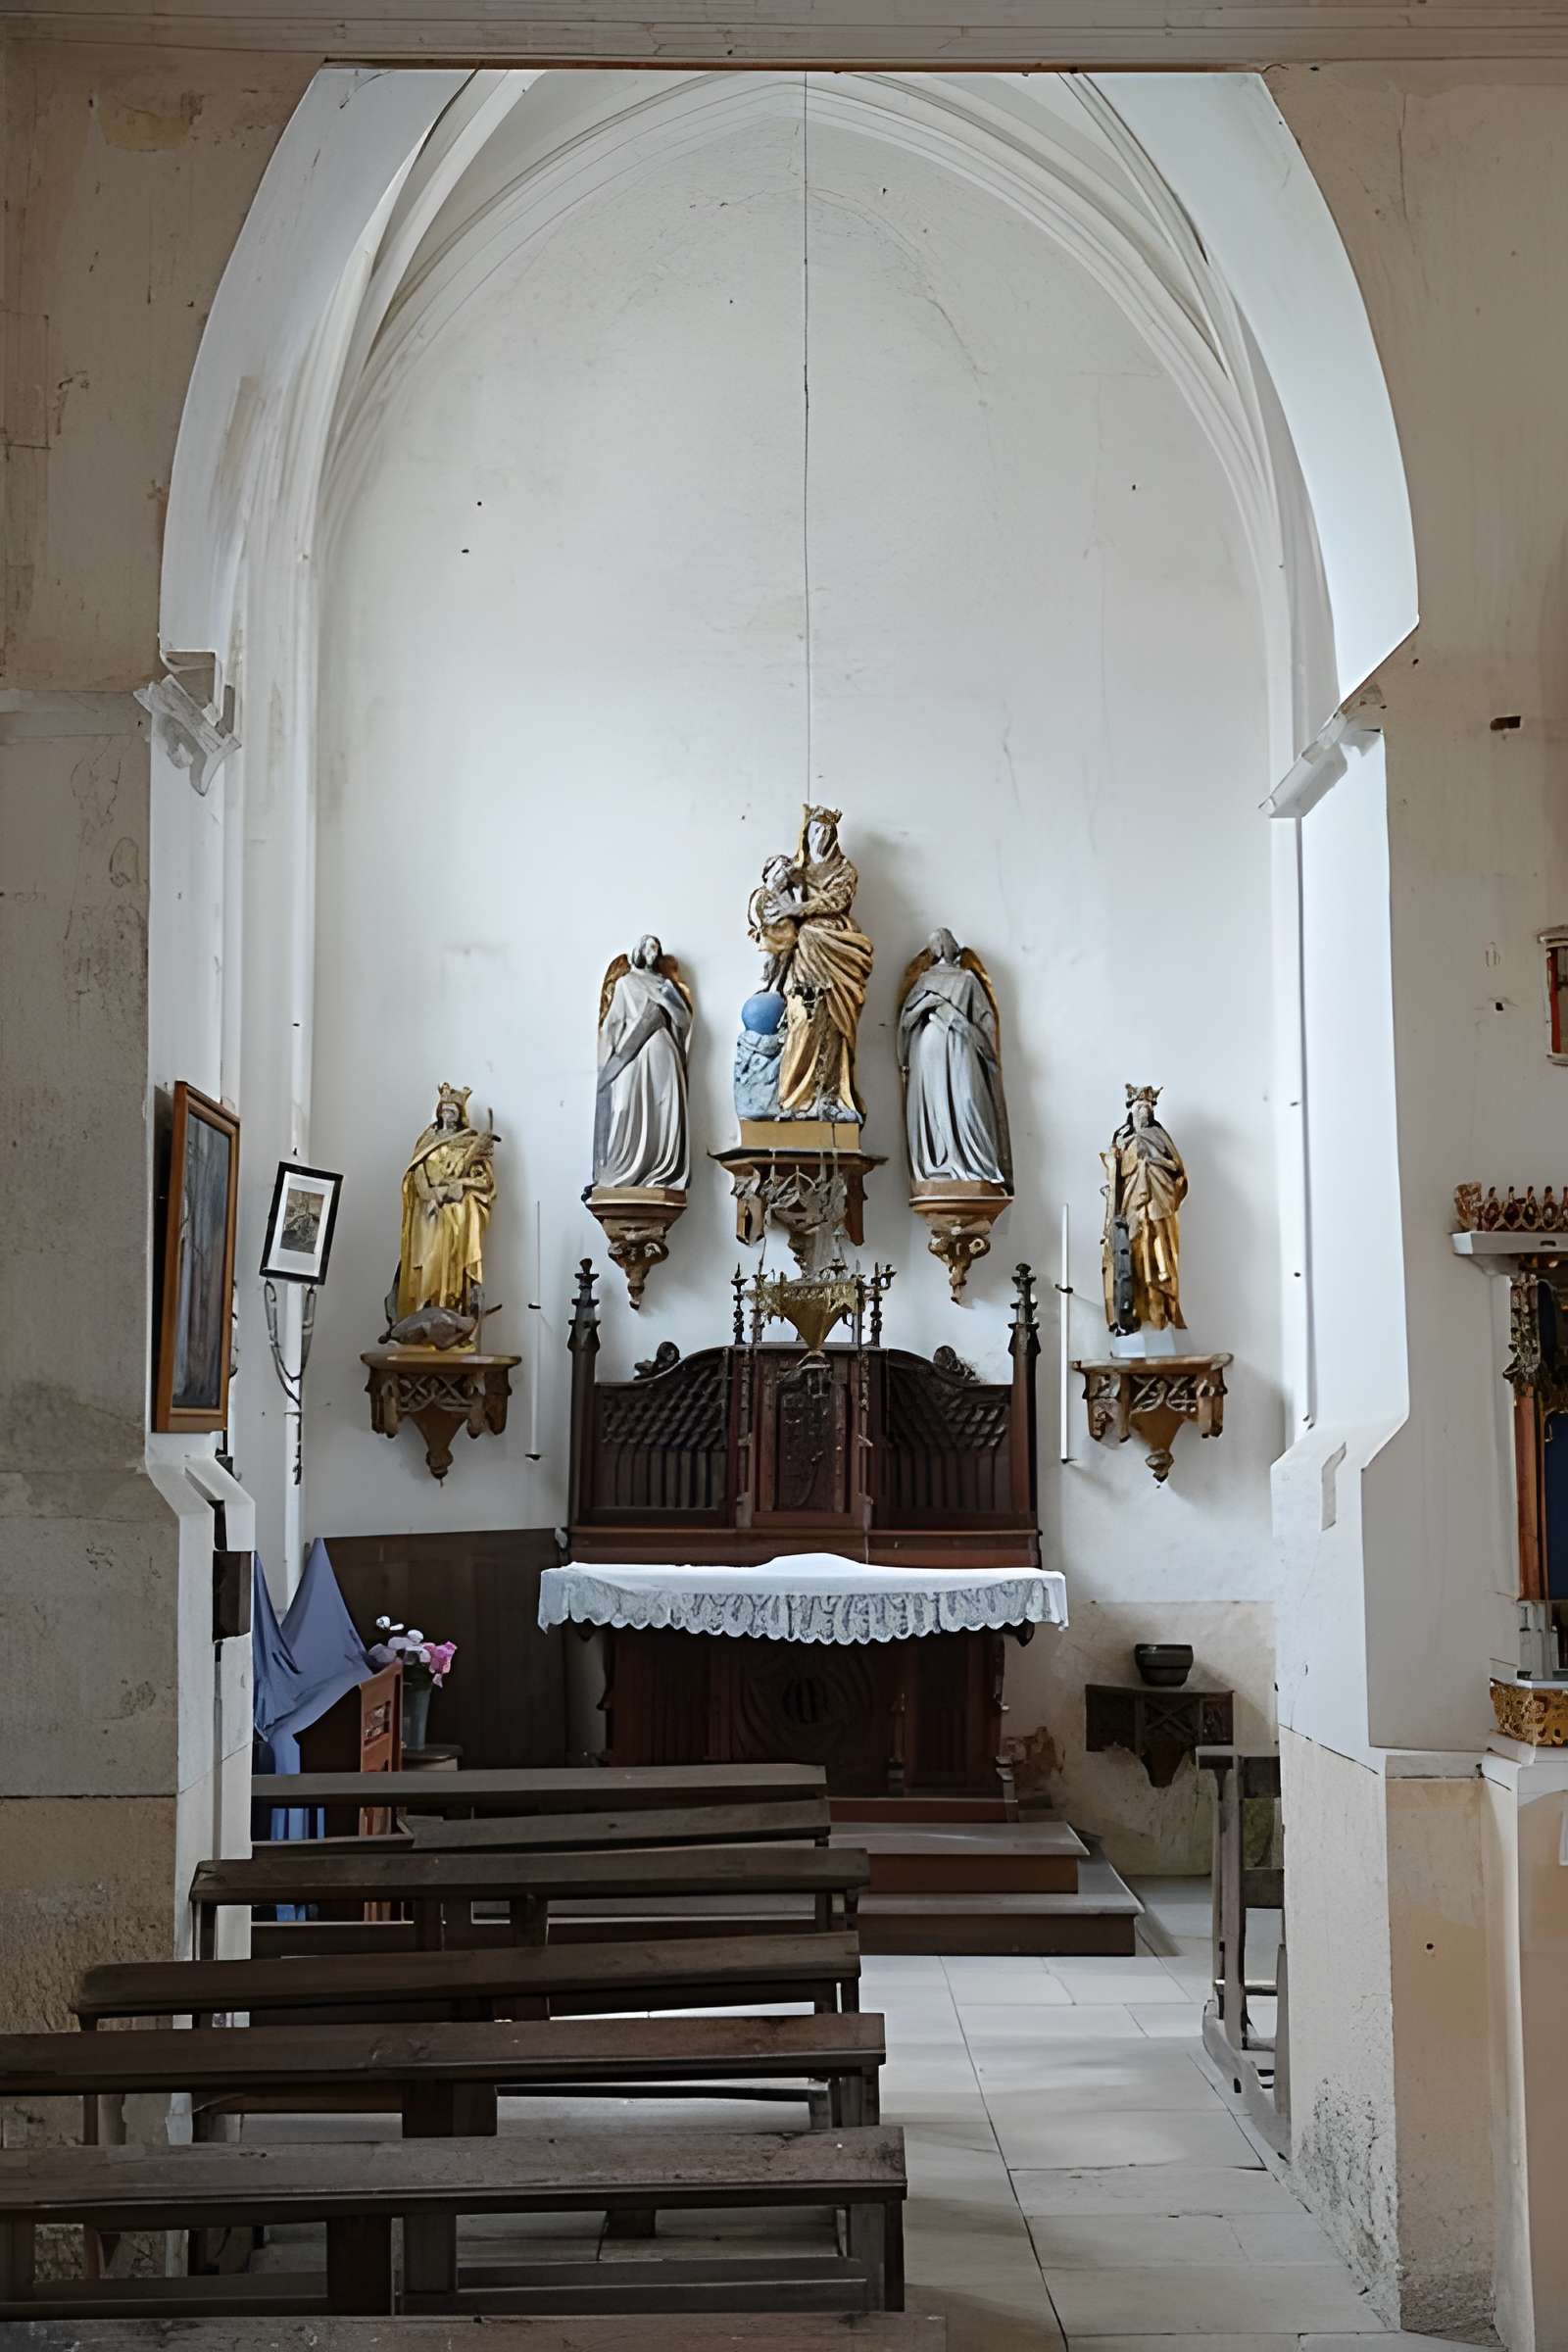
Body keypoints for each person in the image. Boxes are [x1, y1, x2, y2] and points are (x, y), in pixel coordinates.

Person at [748, 806, 874, 1123]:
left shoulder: (845, 870)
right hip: (806, 954)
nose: (822, 837)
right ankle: (794, 1098)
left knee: (833, 1024)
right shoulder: (796, 873)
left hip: (837, 950)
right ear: (806, 836)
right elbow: (767, 905)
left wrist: (800, 907)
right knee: (803, 1018)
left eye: (828, 831)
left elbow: (837, 901)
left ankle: (830, 1095)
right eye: (816, 831)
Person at [899, 928, 1011, 1188]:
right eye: (937, 944)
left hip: (962, 1044)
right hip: (930, 1047)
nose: (941, 947)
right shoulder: (924, 980)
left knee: (968, 1099)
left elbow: (986, 1021)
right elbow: (906, 1022)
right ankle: (941, 1165)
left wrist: (973, 1032)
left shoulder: (968, 979)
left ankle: (976, 1166)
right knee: (937, 1105)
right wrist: (926, 1006)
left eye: (942, 942)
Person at [592, 934, 693, 1189]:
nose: (652, 951)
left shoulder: (664, 985)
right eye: (648, 947)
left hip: (662, 1052)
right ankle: (619, 1171)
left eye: (656, 948)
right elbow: (613, 1022)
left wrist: (669, 1001)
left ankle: (659, 1171)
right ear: (639, 951)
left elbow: (683, 1022)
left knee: (662, 1110)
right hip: (632, 1058)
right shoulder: (627, 983)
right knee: (623, 1107)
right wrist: (607, 1057)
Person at [395, 1084, 497, 1326]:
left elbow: (484, 1180)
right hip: (428, 1210)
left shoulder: (468, 1142)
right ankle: (422, 1309)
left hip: (455, 1213)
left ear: (460, 1114)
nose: (448, 1116)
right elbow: (415, 1171)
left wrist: (461, 1183)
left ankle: (451, 1307)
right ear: (439, 1112)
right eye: (445, 1111)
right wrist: (432, 1192)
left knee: (449, 1262)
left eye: (453, 1111)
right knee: (426, 1262)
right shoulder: (427, 1140)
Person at [1102, 1085, 1187, 1335]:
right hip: (1131, 1204)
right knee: (1132, 1256)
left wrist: (1153, 1162)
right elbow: (1114, 1175)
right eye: (1139, 1107)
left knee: (1160, 1256)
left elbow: (1176, 1168)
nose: (1144, 1112)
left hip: (1158, 1203)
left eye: (1147, 1108)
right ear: (1131, 1110)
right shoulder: (1122, 1138)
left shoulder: (1160, 1137)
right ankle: (1137, 1314)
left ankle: (1161, 1312)